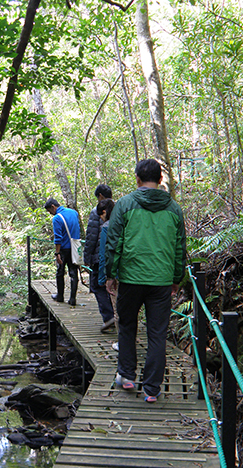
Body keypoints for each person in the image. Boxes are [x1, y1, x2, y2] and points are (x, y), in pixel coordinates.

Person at [104, 159, 187, 403]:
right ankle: (152, 389)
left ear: (138, 179)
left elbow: (114, 242)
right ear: (160, 180)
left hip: (130, 279)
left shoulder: (125, 204)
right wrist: (176, 278)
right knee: (157, 334)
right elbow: (179, 247)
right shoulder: (174, 208)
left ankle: (127, 376)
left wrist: (111, 274)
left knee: (128, 326)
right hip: (161, 281)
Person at [84, 184, 114, 331]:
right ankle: (113, 315)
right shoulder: (117, 208)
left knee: (97, 286)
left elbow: (91, 236)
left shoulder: (97, 212)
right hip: (115, 256)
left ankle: (108, 317)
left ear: (100, 196)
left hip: (99, 255)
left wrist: (87, 257)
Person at [44, 197, 81, 306]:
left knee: (60, 272)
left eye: (49, 211)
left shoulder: (57, 218)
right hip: (75, 247)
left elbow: (58, 238)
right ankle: (73, 299)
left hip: (64, 249)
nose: (50, 213)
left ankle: (60, 296)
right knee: (74, 273)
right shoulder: (74, 213)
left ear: (53, 207)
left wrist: (57, 253)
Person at [97, 198, 119, 347]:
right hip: (133, 272)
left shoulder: (106, 227)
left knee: (118, 309)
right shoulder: (126, 223)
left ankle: (123, 343)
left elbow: (104, 255)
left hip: (116, 275)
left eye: (101, 216)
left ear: (104, 212)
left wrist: (103, 277)